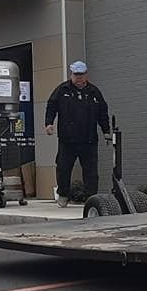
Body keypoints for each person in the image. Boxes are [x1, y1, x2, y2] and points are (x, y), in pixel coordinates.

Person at [44, 61, 110, 206]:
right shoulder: (63, 90)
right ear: (71, 74)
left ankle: (92, 198)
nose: (78, 78)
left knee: (91, 171)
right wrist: (49, 123)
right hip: (67, 139)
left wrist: (106, 131)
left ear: (86, 75)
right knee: (63, 168)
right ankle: (63, 194)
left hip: (89, 139)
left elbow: (103, 113)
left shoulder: (94, 92)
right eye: (76, 75)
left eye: (81, 75)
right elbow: (51, 106)